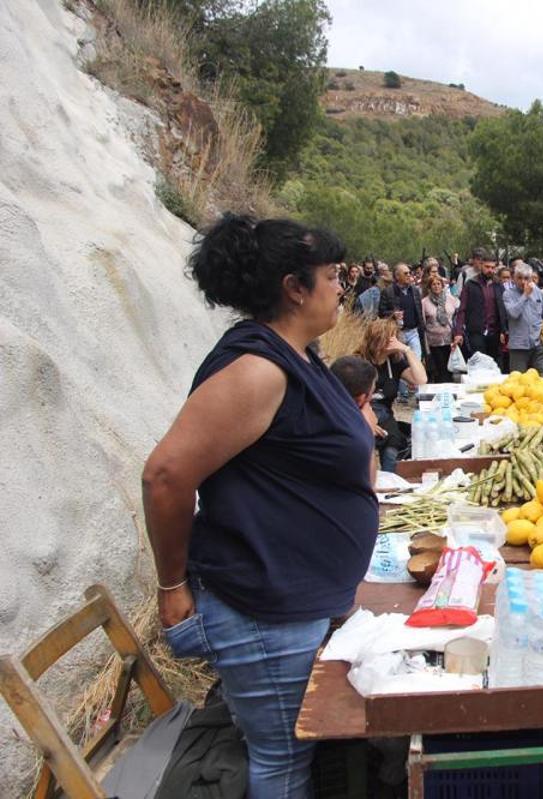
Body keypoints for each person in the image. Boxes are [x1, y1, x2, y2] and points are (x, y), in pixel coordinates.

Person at [142, 215, 378, 797]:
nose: (341, 286)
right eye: (331, 275)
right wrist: (172, 588)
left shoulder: (296, 353)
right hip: (263, 609)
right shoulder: (258, 370)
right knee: (280, 761)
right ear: (294, 288)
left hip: (290, 600)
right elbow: (166, 477)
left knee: (293, 753)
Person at [355, 318, 427, 470]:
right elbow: (345, 399)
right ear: (379, 339)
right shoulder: (358, 362)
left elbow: (421, 379)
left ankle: (390, 476)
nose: (396, 340)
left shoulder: (394, 362)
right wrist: (367, 421)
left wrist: (406, 350)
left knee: (393, 439)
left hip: (385, 413)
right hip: (358, 412)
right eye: (391, 337)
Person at [452, 250, 506, 362]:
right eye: (487, 267)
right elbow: (462, 310)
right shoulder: (470, 285)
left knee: (495, 364)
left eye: (492, 267)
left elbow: (503, 309)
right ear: (481, 265)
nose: (490, 270)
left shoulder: (498, 285)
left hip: (494, 333)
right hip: (476, 332)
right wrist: (458, 332)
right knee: (480, 364)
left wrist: (504, 330)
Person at [504, 262, 543, 376]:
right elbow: (513, 313)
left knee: (542, 379)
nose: (523, 282)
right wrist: (525, 295)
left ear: (531, 278)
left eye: (526, 278)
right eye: (519, 278)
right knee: (518, 381)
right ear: (513, 278)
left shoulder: (538, 292)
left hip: (538, 345)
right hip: (519, 346)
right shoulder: (508, 294)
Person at [421, 271, 460, 384]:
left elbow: (456, 317)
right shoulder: (424, 302)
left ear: (442, 286)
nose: (436, 286)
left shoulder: (451, 299)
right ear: (429, 287)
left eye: (439, 284)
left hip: (449, 339)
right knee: (440, 369)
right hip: (434, 341)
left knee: (450, 368)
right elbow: (423, 322)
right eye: (434, 284)